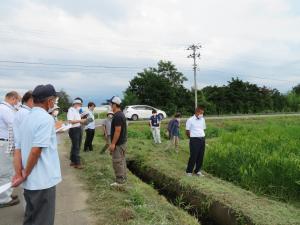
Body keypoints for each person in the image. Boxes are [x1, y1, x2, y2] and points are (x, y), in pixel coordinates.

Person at [12, 84, 62, 225]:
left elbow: (18, 149)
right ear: (49, 101)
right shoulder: (46, 119)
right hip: (43, 181)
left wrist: (19, 173)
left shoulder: (25, 118)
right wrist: (25, 173)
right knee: (43, 220)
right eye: (54, 100)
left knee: (31, 218)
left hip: (29, 183)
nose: (54, 103)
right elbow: (36, 151)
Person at [0, 91, 21, 208]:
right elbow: (14, 125)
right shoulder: (6, 109)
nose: (17, 103)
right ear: (13, 98)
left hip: (3, 142)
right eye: (17, 100)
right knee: (6, 172)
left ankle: (4, 194)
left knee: (4, 170)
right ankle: (4, 199)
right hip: (4, 143)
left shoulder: (3, 108)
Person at [109, 96, 127, 186]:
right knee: (121, 160)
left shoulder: (118, 116)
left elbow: (118, 130)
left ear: (115, 105)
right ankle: (123, 177)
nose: (110, 106)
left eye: (111, 104)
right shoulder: (120, 114)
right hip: (122, 143)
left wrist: (113, 144)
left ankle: (120, 181)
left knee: (117, 161)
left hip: (119, 144)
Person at [185, 106, 206, 177]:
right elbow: (187, 131)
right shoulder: (190, 120)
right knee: (193, 156)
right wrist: (192, 138)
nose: (202, 115)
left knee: (201, 156)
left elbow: (203, 129)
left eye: (203, 113)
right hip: (194, 139)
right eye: (201, 113)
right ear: (197, 112)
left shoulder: (202, 119)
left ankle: (197, 170)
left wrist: (202, 137)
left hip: (202, 139)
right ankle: (189, 171)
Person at [67, 99, 87, 169]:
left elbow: (77, 120)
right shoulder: (71, 110)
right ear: (75, 104)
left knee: (76, 145)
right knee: (76, 147)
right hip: (74, 129)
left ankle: (72, 161)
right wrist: (80, 120)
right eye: (79, 104)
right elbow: (70, 121)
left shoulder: (76, 111)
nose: (80, 106)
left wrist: (83, 120)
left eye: (81, 105)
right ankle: (77, 163)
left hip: (78, 128)